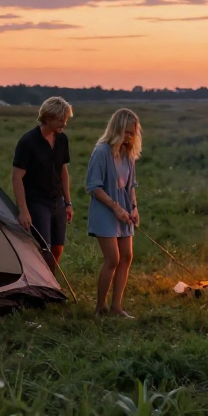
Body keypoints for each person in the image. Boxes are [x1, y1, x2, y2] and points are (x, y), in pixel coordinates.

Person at [86, 108, 142, 318]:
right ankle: (100, 308)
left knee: (127, 256)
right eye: (126, 133)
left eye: (132, 133)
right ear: (116, 129)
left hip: (124, 211)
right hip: (106, 211)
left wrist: (134, 208)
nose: (129, 138)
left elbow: (131, 186)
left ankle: (116, 307)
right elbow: (94, 187)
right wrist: (116, 208)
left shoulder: (128, 154)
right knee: (112, 258)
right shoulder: (101, 152)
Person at [12, 97, 74, 270]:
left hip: (58, 201)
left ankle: (50, 284)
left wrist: (68, 203)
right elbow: (17, 177)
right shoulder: (28, 142)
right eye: (60, 120)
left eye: (65, 120)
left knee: (57, 248)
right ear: (47, 118)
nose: (64, 124)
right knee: (43, 249)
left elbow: (63, 171)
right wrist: (23, 210)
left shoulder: (62, 140)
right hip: (37, 202)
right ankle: (41, 289)